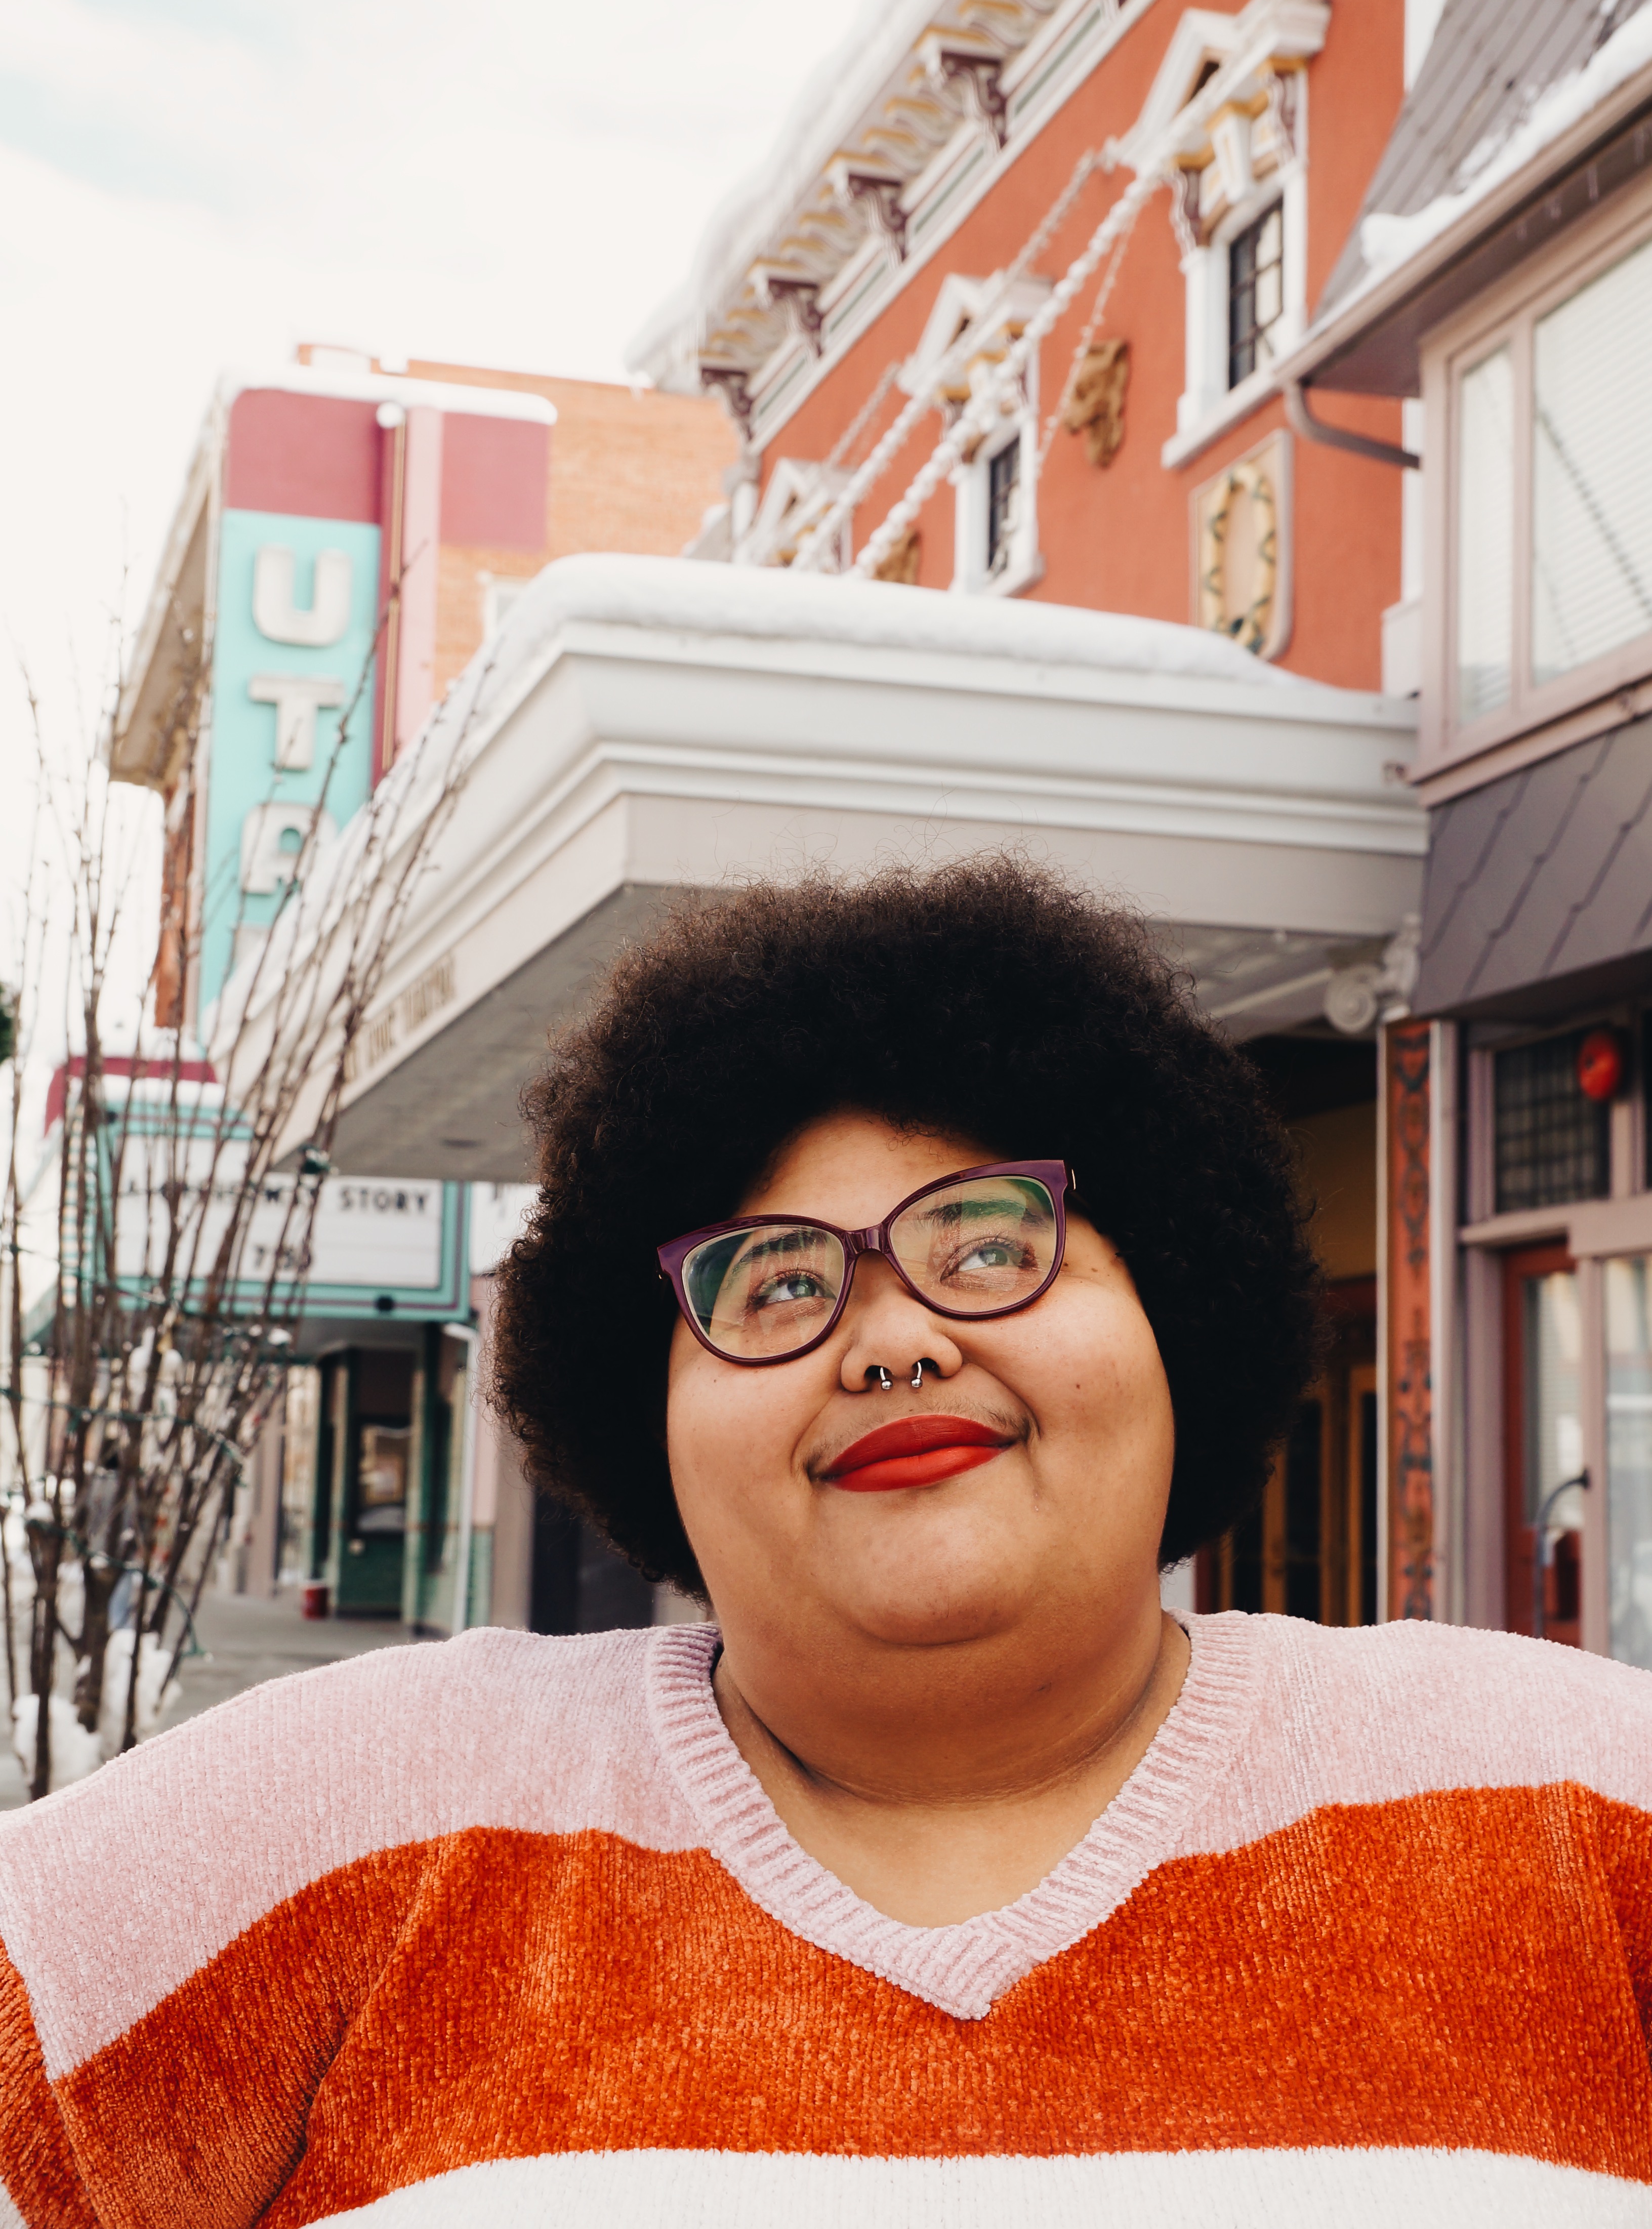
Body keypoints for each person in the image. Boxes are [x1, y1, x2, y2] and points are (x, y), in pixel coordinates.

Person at [0, 860, 1647, 2226]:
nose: (893, 1342)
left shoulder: (1581, 1808)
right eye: (776, 1281)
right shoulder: (347, 1822)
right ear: (639, 1401)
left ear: (1177, 1318)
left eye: (991, 1245)